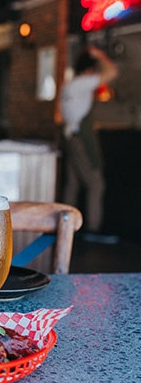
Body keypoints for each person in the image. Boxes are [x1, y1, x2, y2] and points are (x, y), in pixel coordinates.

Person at [60, 45, 118, 243]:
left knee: (73, 183)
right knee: (95, 183)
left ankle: (66, 227)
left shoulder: (68, 85)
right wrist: (99, 54)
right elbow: (112, 72)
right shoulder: (83, 83)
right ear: (90, 69)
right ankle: (93, 228)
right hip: (80, 139)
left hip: (69, 136)